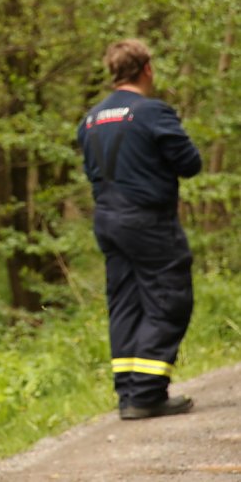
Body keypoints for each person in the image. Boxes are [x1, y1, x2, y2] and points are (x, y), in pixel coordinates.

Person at [77, 38, 201, 420]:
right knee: (169, 298)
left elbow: (92, 172)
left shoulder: (91, 119)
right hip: (148, 221)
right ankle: (147, 392)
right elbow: (190, 163)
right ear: (147, 69)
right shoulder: (152, 112)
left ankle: (129, 393)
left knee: (125, 301)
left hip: (107, 220)